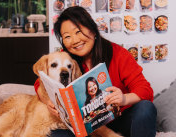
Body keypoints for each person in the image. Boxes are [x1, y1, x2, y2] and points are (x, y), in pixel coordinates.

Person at [34, 6, 157, 137]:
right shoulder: (65, 59)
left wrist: (124, 99)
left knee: (146, 108)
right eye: (67, 36)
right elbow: (39, 84)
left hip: (118, 119)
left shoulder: (118, 54)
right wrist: (50, 102)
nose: (75, 40)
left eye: (78, 31)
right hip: (83, 125)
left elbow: (145, 89)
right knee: (56, 134)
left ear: (93, 30)